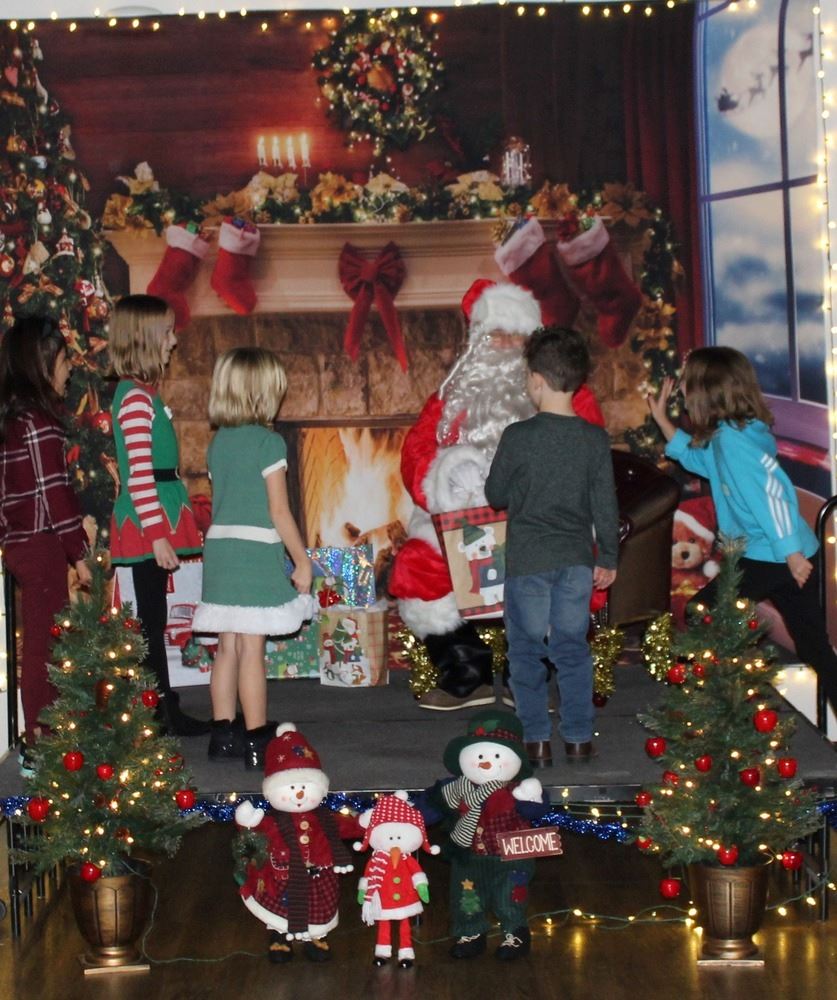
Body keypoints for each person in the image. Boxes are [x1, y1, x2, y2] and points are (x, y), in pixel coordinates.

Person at [388, 280, 605, 711]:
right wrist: (442, 488)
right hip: (459, 524)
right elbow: (416, 456)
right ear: (477, 342)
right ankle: (468, 672)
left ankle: (534, 676)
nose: (506, 345)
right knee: (418, 567)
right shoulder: (449, 400)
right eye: (495, 334)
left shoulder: (569, 397)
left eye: (516, 335)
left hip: (541, 523)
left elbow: (591, 460)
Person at [649, 345, 837, 715]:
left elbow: (772, 497)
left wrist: (791, 554)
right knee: (814, 645)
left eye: (687, 385)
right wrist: (663, 421)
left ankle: (723, 703)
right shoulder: (736, 433)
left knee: (704, 610)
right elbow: (701, 462)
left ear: (707, 392)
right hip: (780, 552)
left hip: (775, 554)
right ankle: (731, 695)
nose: (683, 393)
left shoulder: (734, 442)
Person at [484, 326, 619, 767]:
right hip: (577, 564)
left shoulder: (519, 436)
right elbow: (605, 504)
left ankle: (537, 742)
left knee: (525, 650)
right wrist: (611, 559)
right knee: (571, 649)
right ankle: (579, 738)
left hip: (529, 564)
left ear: (537, 380)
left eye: (527, 377)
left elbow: (496, 494)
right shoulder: (594, 439)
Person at [191, 347, 316, 770]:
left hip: (220, 552)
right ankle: (257, 738)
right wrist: (302, 560)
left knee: (226, 646)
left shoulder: (218, 442)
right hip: (253, 550)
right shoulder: (269, 442)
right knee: (251, 649)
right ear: (265, 395)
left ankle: (222, 734)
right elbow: (278, 511)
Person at [109, 293, 207, 736]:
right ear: (147, 340)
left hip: (158, 517)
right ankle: (156, 709)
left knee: (156, 612)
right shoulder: (133, 400)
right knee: (150, 617)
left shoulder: (144, 395)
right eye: (167, 332)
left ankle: (163, 703)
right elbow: (138, 477)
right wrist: (156, 534)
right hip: (149, 523)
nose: (174, 340)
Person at [0, 316, 92, 773]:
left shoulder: (16, 420)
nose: (70, 368)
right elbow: (56, 494)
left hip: (23, 543)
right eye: (62, 359)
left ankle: (46, 735)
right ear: (41, 363)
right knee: (43, 645)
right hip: (40, 543)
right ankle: (40, 741)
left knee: (44, 639)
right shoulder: (38, 423)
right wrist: (79, 552)